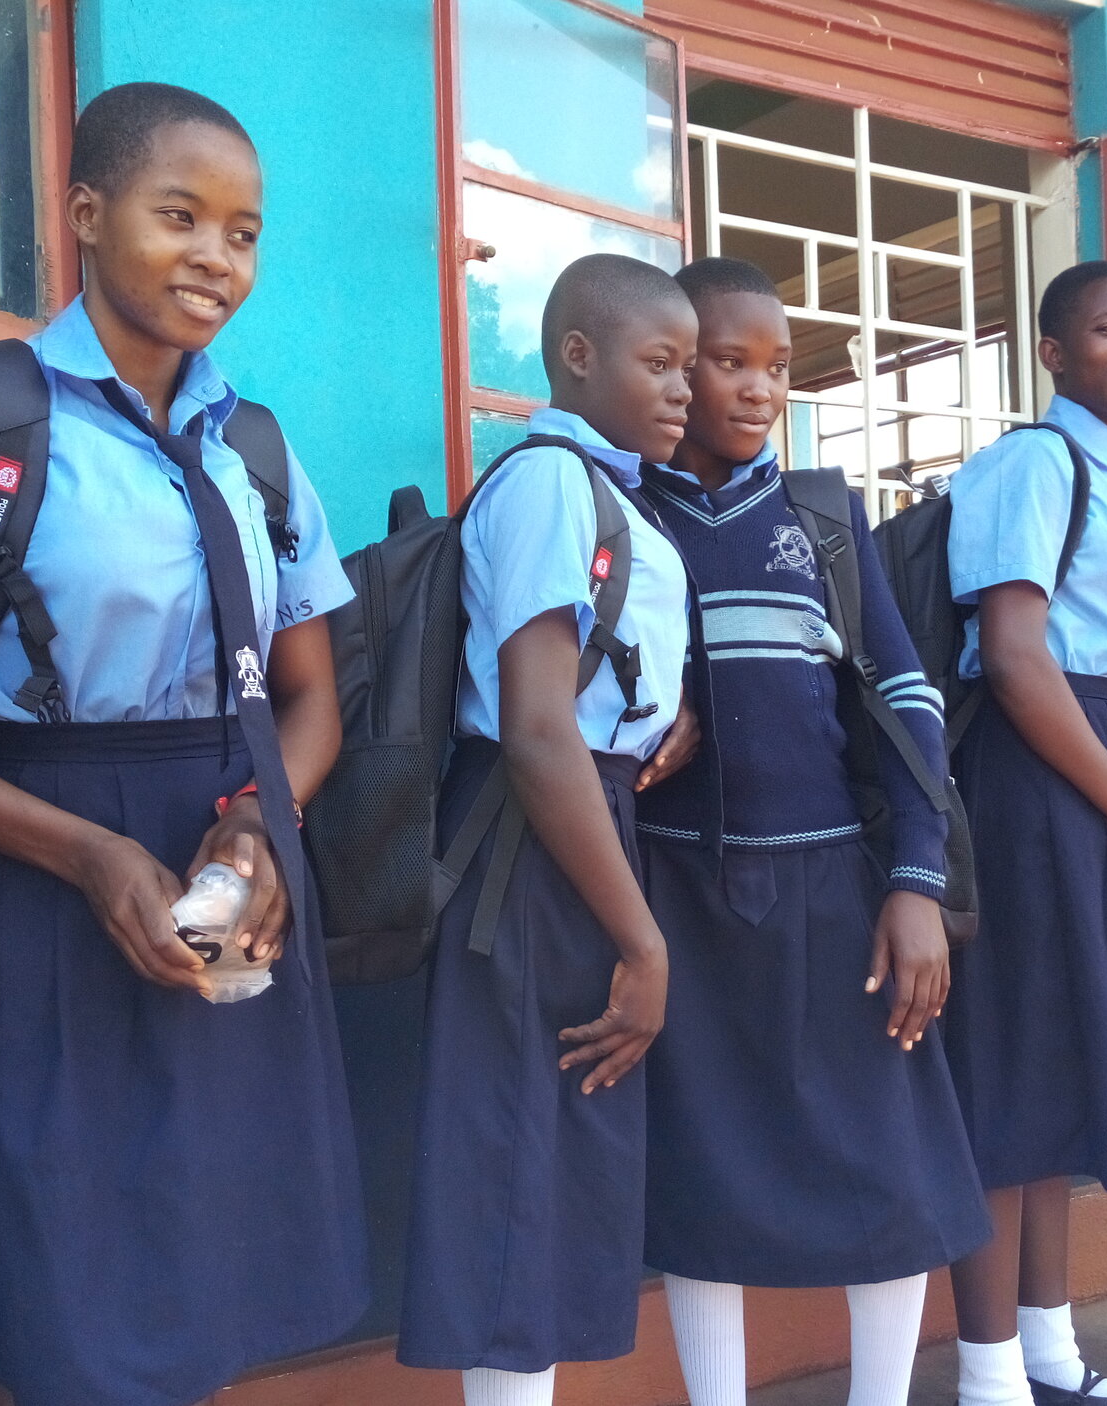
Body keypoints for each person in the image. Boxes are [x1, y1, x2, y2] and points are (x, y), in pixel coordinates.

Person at [0, 82, 368, 1406]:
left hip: (223, 863)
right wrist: (82, 853)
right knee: (51, 1290)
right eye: (179, 215)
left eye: (244, 232)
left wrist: (263, 819)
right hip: (30, 873)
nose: (217, 257)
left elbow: (314, 692)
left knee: (193, 1273)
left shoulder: (253, 440)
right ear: (85, 214)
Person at [633, 256, 991, 1406]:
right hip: (680, 894)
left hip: (840, 893)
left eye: (775, 366)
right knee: (705, 1173)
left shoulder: (823, 520)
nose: (753, 388)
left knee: (880, 1168)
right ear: (667, 368)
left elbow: (909, 701)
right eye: (724, 361)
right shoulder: (625, 514)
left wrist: (914, 881)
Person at [396, 252, 700, 1406]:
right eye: (657, 362)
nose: (682, 389)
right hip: (531, 848)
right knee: (518, 1166)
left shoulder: (614, 494)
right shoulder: (549, 484)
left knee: (557, 1165)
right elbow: (534, 727)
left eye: (686, 364)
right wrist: (645, 941)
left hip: (583, 827)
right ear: (577, 356)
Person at [941, 261, 1107, 1406]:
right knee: (1010, 1073)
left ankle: (1048, 1350)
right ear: (1050, 351)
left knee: (1054, 1077)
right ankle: (990, 1371)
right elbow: (1017, 653)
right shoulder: (1035, 461)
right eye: (1106, 328)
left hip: (1098, 762)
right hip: (1036, 776)